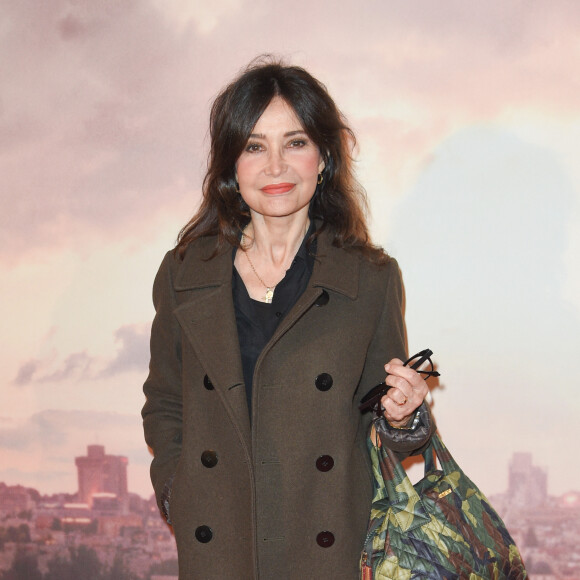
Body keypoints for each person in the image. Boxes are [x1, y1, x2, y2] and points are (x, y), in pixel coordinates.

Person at [141, 57, 435, 580]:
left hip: (325, 548)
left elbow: (387, 427)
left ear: (323, 158)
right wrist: (177, 491)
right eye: (254, 146)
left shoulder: (370, 279)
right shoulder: (184, 273)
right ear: (232, 164)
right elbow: (165, 401)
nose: (275, 167)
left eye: (295, 143)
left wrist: (404, 414)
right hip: (217, 542)